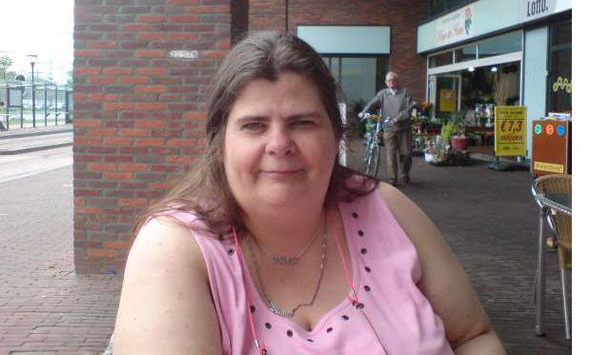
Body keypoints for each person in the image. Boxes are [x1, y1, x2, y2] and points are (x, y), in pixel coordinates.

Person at [112, 31, 505, 354]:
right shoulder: (174, 246)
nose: (279, 144)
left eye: (302, 123)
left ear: (335, 134)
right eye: (254, 125)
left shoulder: (387, 209)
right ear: (221, 142)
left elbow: (475, 337)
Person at [359, 71, 415, 185]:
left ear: (397, 81)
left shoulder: (405, 93)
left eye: (393, 80)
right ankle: (392, 178)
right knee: (391, 154)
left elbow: (409, 109)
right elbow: (372, 104)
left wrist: (398, 118)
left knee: (406, 154)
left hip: (404, 129)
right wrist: (363, 112)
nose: (391, 82)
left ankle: (405, 173)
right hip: (389, 129)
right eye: (389, 80)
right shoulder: (382, 94)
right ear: (386, 82)